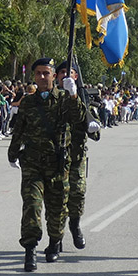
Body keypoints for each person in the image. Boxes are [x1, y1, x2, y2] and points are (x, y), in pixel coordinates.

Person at [7, 57, 87, 271]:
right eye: (38, 74)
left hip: (58, 163)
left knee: (57, 209)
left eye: (46, 73)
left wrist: (73, 94)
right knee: (32, 206)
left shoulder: (63, 99)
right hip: (33, 163)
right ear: (34, 77)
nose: (42, 77)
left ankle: (54, 242)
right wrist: (12, 153)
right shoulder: (28, 102)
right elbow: (19, 129)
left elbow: (78, 118)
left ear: (54, 76)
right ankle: (30, 249)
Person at [55, 61, 102, 250]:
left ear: (76, 77)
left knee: (77, 194)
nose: (65, 76)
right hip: (56, 156)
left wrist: (91, 125)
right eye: (62, 73)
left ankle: (74, 226)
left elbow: (96, 134)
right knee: (57, 198)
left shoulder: (84, 100)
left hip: (76, 157)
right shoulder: (52, 98)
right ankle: (56, 236)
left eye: (70, 73)